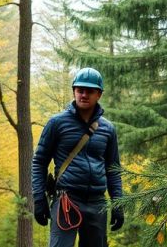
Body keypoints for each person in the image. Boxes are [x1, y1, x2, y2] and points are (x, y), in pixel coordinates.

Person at [32, 67, 124, 247]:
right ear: (74, 91)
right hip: (67, 199)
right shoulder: (56, 123)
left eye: (89, 91)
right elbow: (39, 162)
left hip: (97, 202)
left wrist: (118, 204)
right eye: (80, 90)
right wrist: (38, 198)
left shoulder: (107, 129)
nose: (83, 95)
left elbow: (113, 170)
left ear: (99, 94)